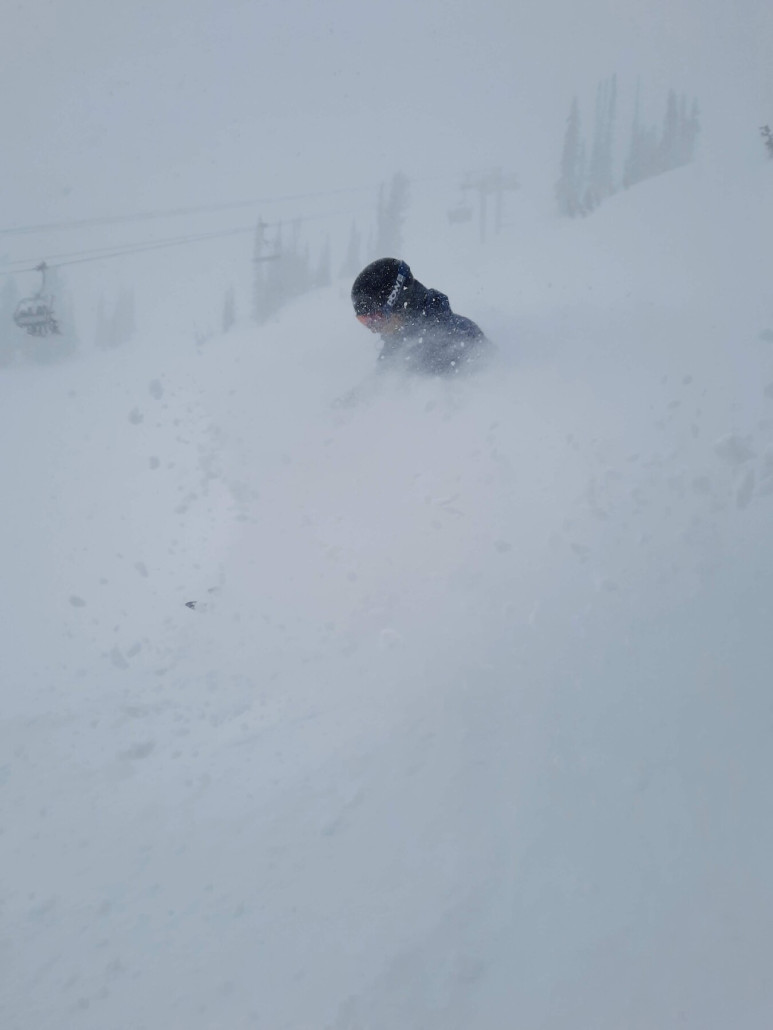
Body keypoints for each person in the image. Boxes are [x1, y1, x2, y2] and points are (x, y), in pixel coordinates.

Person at [351, 258, 490, 375]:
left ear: (401, 303)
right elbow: (379, 387)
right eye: (365, 321)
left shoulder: (458, 336)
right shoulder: (395, 347)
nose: (373, 329)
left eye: (377, 318)